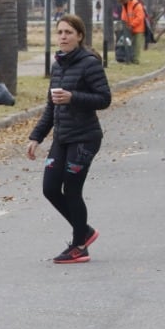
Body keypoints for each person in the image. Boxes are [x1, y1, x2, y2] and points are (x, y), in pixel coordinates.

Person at [26, 14, 112, 265]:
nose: (63, 37)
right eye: (60, 32)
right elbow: (51, 107)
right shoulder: (58, 65)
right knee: (50, 188)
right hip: (62, 137)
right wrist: (36, 136)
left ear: (80, 36)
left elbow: (104, 99)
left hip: (85, 138)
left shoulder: (89, 64)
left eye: (68, 33)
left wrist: (74, 97)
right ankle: (84, 230)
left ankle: (79, 245)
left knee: (72, 190)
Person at [117, 0, 146, 64]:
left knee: (137, 45)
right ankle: (129, 58)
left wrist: (131, 25)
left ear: (125, 0)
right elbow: (124, 16)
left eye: (122, 2)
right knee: (129, 44)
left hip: (138, 29)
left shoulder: (136, 5)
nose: (121, 4)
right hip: (129, 28)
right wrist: (124, 24)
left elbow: (140, 17)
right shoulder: (125, 5)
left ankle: (136, 60)